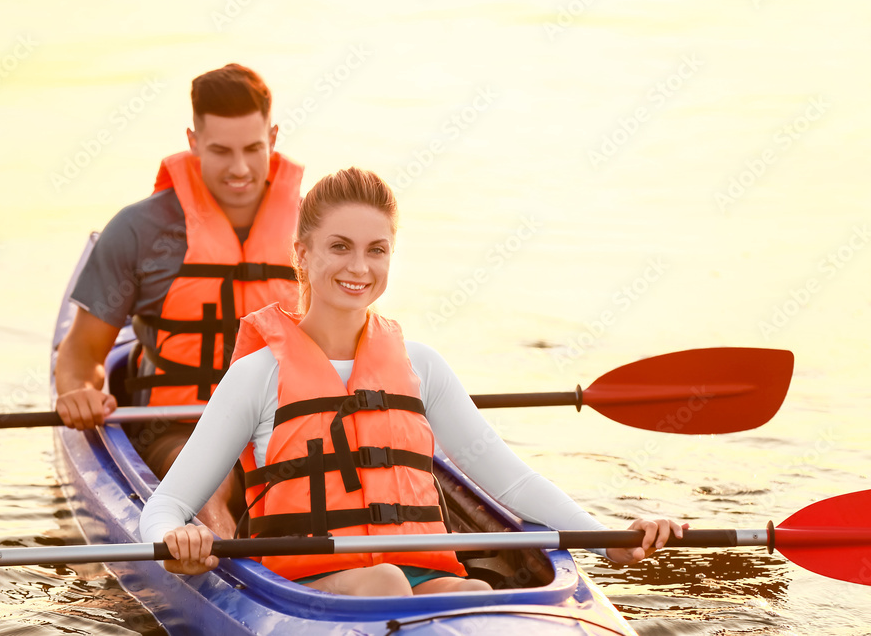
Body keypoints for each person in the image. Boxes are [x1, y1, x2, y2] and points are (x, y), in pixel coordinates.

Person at [139, 168, 687, 597]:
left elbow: (514, 485)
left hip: (415, 577)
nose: (359, 266)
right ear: (301, 256)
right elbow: (162, 510)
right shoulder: (257, 375)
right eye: (339, 246)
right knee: (382, 582)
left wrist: (607, 540)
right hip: (302, 588)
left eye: (377, 250)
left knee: (471, 589)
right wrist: (176, 540)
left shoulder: (421, 367)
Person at [55, 64, 303, 538]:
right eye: (220, 151)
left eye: (254, 149)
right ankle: (225, 559)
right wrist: (77, 392)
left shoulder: (312, 227)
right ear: (193, 141)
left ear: (272, 135)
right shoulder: (139, 231)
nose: (240, 168)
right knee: (205, 477)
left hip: (285, 424)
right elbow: (82, 354)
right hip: (177, 427)